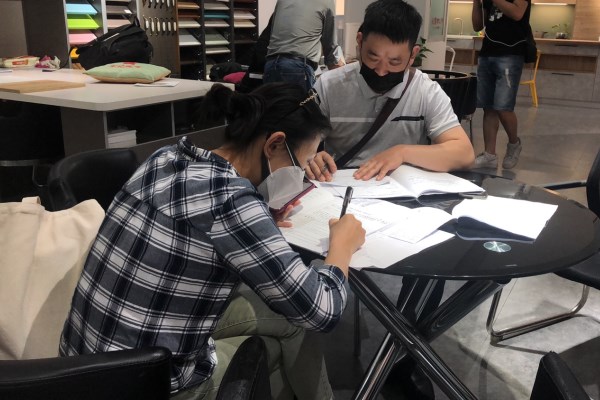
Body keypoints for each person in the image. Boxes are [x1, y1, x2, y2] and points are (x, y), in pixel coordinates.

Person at [59, 83, 365, 400]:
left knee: (286, 318)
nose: (300, 177)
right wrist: (341, 246)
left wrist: (259, 216)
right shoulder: (232, 202)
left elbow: (197, 223)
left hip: (80, 370)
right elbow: (321, 311)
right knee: (279, 343)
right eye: (302, 165)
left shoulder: (165, 157)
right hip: (145, 386)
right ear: (274, 144)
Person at [305, 0, 474, 183]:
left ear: (413, 55)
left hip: (404, 189)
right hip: (341, 186)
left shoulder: (425, 91)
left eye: (394, 62)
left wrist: (402, 152)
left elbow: (464, 153)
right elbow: (296, 143)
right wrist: (309, 158)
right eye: (373, 57)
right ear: (360, 41)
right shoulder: (329, 86)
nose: (381, 71)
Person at [472, 0, 531, 169]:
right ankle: (489, 155)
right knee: (488, 107)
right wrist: (476, 3)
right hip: (487, 53)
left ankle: (514, 144)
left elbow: (517, 13)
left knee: (503, 107)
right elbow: (477, 26)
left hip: (510, 54)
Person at [263, 0, 345, 92]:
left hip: (271, 66)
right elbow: (330, 47)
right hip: (297, 69)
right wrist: (342, 73)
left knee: (274, 101)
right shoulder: (327, 2)